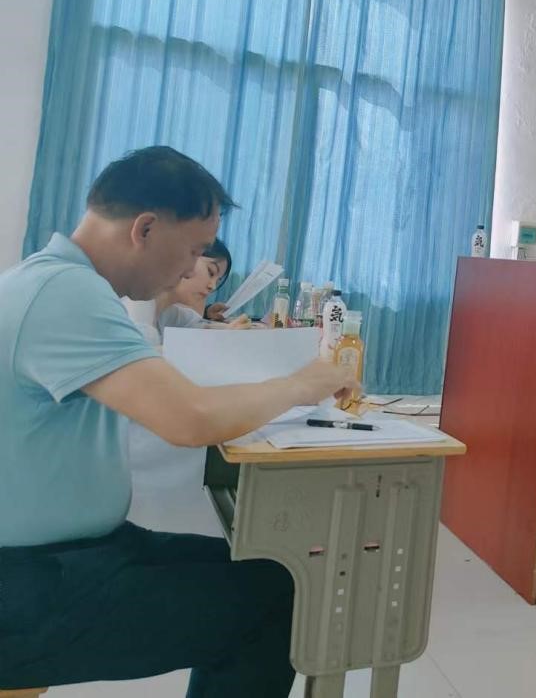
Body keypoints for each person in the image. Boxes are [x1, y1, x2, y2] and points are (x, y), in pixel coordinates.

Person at [0, 146, 356, 696]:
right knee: (272, 603)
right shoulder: (66, 292)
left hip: (75, 550)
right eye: (192, 251)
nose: (192, 270)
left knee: (278, 576)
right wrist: (303, 384)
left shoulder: (54, 280)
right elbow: (189, 419)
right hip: (28, 578)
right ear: (144, 229)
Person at [154, 238, 247, 336]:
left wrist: (207, 313)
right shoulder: (144, 308)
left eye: (217, 281)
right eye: (211, 272)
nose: (213, 286)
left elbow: (197, 324)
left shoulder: (172, 313)